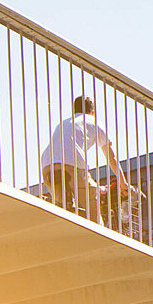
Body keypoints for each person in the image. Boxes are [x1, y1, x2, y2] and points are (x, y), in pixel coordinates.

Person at [40, 95, 131, 226]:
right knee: (92, 209)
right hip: (72, 162)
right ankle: (98, 235)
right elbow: (112, 158)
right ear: (92, 112)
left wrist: (99, 188)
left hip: (47, 165)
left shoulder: (65, 122)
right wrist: (123, 184)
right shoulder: (93, 121)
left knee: (63, 209)